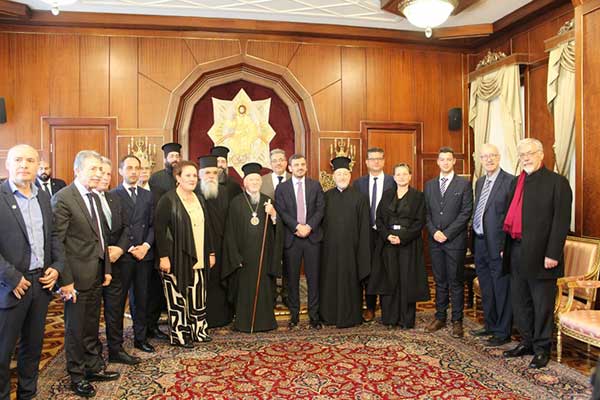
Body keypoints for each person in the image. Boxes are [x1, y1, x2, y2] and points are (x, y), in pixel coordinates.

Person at [52, 150, 119, 398]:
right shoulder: (63, 198)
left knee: (91, 325)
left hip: (97, 273)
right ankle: (77, 376)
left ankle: (93, 367)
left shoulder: (94, 196)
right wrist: (65, 280)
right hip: (75, 278)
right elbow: (57, 242)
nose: (99, 174)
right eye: (93, 169)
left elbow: (102, 238)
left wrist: (107, 269)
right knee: (75, 329)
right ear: (77, 170)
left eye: (101, 169)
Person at [0, 144, 63, 400]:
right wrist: (12, 277)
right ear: (8, 164)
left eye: (30, 160)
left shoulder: (43, 197)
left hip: (41, 284)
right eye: (18, 160)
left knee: (33, 347)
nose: (24, 165)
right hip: (9, 286)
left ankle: (28, 394)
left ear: (38, 166)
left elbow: (54, 236)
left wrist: (57, 266)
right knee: (3, 352)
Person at [502, 138, 571, 369]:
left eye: (530, 153)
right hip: (516, 250)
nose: (526, 158)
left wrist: (553, 254)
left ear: (541, 154)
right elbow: (509, 217)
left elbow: (561, 222)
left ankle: (542, 349)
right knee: (520, 301)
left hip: (543, 256)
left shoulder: (557, 183)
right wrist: (505, 247)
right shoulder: (516, 182)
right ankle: (527, 341)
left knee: (542, 305)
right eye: (522, 155)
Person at [155, 160, 215, 347]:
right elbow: (159, 230)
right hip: (175, 258)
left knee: (198, 296)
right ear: (178, 177)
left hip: (200, 255)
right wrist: (163, 257)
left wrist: (211, 253)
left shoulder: (200, 198)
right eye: (187, 175)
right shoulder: (168, 200)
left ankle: (198, 331)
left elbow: (207, 227)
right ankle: (180, 335)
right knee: (178, 298)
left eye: (194, 175)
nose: (192, 179)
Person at [222, 162, 282, 332]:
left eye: (257, 180)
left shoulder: (268, 201)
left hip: (264, 257)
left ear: (261, 182)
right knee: (244, 290)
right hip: (244, 258)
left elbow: (278, 230)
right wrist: (235, 257)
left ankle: (266, 323)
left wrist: (274, 215)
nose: (255, 183)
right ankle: (243, 323)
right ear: (245, 182)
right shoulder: (236, 203)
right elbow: (230, 233)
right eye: (251, 180)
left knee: (264, 289)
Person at [369, 163, 429, 329]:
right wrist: (387, 236)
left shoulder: (418, 196)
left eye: (404, 174)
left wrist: (402, 238)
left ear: (410, 176)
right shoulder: (387, 194)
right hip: (388, 245)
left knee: (407, 281)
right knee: (389, 280)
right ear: (394, 177)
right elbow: (379, 219)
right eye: (398, 174)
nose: (401, 177)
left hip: (409, 245)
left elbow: (420, 222)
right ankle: (390, 318)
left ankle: (405, 320)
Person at [95, 157, 140, 366]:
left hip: (117, 263)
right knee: (91, 314)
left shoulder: (114, 198)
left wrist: (120, 249)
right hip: (93, 265)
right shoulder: (82, 200)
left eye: (108, 174)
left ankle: (116, 349)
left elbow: (126, 227)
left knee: (115, 309)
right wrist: (105, 252)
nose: (105, 177)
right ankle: (93, 354)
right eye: (101, 173)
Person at [424, 147, 473, 338]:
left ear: (454, 162)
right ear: (438, 162)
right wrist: (434, 231)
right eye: (442, 159)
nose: (445, 162)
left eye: (448, 159)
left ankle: (457, 321)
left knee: (455, 281)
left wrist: (447, 233)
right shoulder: (429, 185)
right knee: (440, 281)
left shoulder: (464, 184)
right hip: (435, 241)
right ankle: (440, 317)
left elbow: (466, 213)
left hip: (455, 242)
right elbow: (426, 213)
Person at [470, 144, 513, 346]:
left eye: (492, 156)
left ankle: (503, 332)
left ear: (499, 157)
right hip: (480, 242)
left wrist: (506, 246)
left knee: (501, 287)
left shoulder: (510, 181)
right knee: (486, 286)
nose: (489, 160)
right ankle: (490, 324)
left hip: (499, 245)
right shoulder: (480, 182)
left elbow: (511, 217)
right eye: (485, 156)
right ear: (480, 159)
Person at [320, 157, 370, 328]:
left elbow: (364, 228)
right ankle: (329, 316)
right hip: (330, 252)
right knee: (330, 282)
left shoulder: (360, 198)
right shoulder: (326, 197)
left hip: (352, 252)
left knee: (351, 283)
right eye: (339, 174)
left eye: (345, 174)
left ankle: (351, 316)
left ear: (350, 176)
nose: (342, 177)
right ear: (333, 177)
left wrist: (362, 252)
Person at [275, 154, 324, 329]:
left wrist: (309, 226)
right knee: (292, 280)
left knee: (313, 279)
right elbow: (281, 210)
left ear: (306, 166)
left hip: (312, 238)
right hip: (292, 239)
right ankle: (294, 316)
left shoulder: (315, 185)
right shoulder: (282, 188)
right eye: (296, 165)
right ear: (290, 168)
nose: (300, 167)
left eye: (303, 164)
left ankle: (314, 316)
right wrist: (296, 226)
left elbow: (320, 209)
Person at [112, 155, 155, 354]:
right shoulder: (113, 195)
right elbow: (115, 228)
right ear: (121, 171)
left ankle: (141, 338)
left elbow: (153, 225)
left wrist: (145, 246)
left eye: (137, 168)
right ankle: (116, 344)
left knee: (142, 298)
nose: (134, 172)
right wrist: (129, 247)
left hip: (144, 255)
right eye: (129, 168)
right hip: (123, 256)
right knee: (118, 301)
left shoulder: (148, 195)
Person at [353, 147, 395, 322]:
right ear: (366, 162)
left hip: (387, 233)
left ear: (384, 161)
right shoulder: (358, 183)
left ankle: (387, 308)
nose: (376, 162)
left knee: (387, 270)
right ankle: (370, 307)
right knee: (368, 270)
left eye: (379, 158)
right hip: (366, 233)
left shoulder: (393, 181)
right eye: (372, 159)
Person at [147, 143, 182, 341]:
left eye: (177, 155)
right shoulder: (156, 179)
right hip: (161, 238)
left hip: (180, 239)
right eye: (172, 156)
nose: (175, 159)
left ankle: (177, 320)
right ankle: (153, 323)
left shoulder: (183, 175)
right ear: (165, 159)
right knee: (156, 287)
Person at [197, 155, 233, 328]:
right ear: (200, 174)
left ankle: (222, 317)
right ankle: (202, 317)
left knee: (220, 280)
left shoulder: (224, 192)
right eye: (207, 172)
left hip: (221, 245)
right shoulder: (194, 193)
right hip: (200, 246)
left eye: (214, 172)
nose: (211, 176)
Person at [261, 148, 291, 306]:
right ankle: (271, 294)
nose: (278, 163)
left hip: (290, 228)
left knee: (289, 262)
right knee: (271, 261)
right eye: (274, 161)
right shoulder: (261, 180)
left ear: (286, 162)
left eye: (281, 160)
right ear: (270, 164)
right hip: (269, 229)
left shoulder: (294, 179)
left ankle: (287, 294)